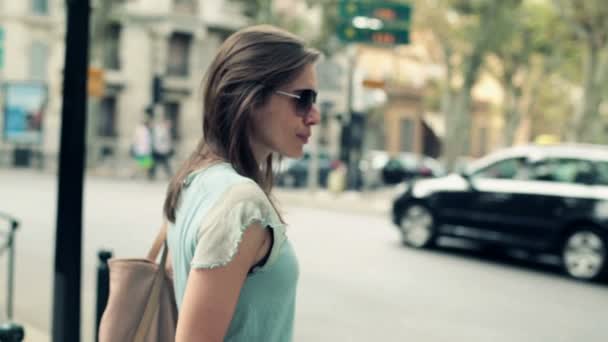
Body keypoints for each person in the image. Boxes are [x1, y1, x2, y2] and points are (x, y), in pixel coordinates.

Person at [162, 25, 321, 341]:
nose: (314, 115)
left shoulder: (195, 178)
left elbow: (173, 271)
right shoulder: (242, 204)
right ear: (251, 97)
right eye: (303, 99)